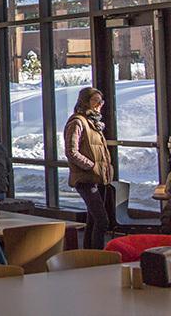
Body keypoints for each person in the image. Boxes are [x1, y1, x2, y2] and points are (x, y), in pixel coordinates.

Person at [64, 87, 113, 249]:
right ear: (85, 102)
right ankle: (97, 256)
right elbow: (71, 151)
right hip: (86, 178)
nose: (99, 104)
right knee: (102, 220)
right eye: (95, 101)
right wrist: (90, 166)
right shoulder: (78, 121)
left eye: (101, 101)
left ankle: (88, 254)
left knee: (93, 220)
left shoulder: (95, 123)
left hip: (98, 177)